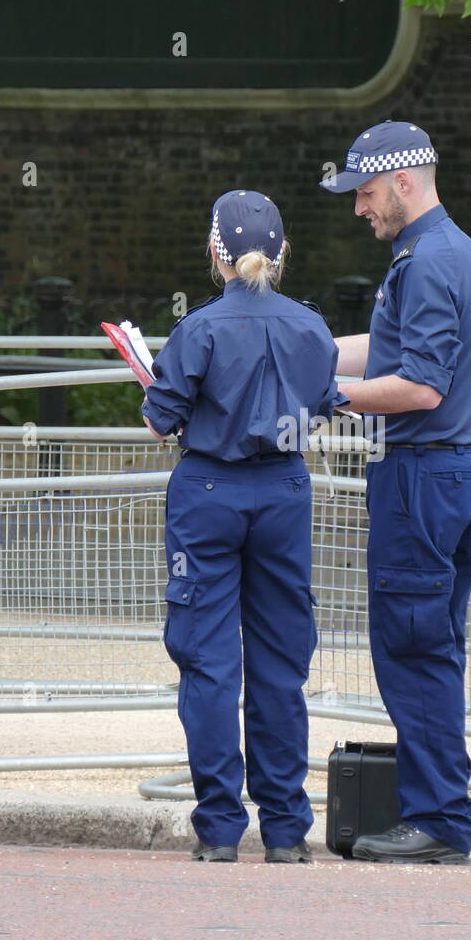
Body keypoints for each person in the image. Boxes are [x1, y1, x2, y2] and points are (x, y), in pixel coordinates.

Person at [142, 190, 348, 864]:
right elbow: (324, 403)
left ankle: (220, 827)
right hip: (284, 489)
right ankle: (286, 829)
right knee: (281, 661)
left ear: (215, 251)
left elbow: (159, 420)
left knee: (207, 660)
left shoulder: (198, 328)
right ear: (282, 252)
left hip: (208, 489)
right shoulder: (310, 327)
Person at [320, 120, 471, 864]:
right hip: (449, 472)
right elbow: (390, 350)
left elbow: (420, 386)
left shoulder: (424, 262)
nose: (360, 207)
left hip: (419, 474)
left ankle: (440, 820)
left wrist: (326, 397)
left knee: (413, 649)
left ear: (402, 181)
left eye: (364, 192)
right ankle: (442, 809)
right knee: (433, 646)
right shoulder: (452, 250)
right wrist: (298, 348)